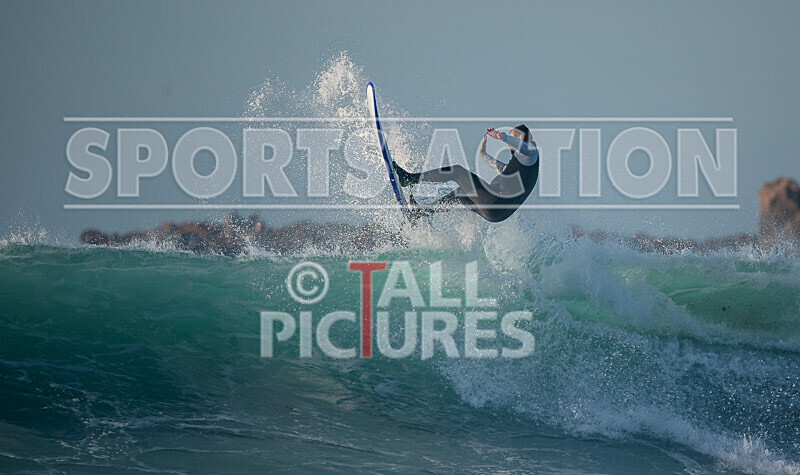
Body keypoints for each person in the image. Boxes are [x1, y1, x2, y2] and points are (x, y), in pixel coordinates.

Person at [392, 124, 539, 222]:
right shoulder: (521, 166)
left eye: (512, 137)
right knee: (460, 193)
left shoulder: (531, 152)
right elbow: (499, 167)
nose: (508, 145)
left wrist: (504, 137)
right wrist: (483, 154)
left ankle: (409, 178)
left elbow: (521, 145)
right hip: (495, 215)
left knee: (457, 171)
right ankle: (419, 213)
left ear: (520, 137)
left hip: (494, 202)